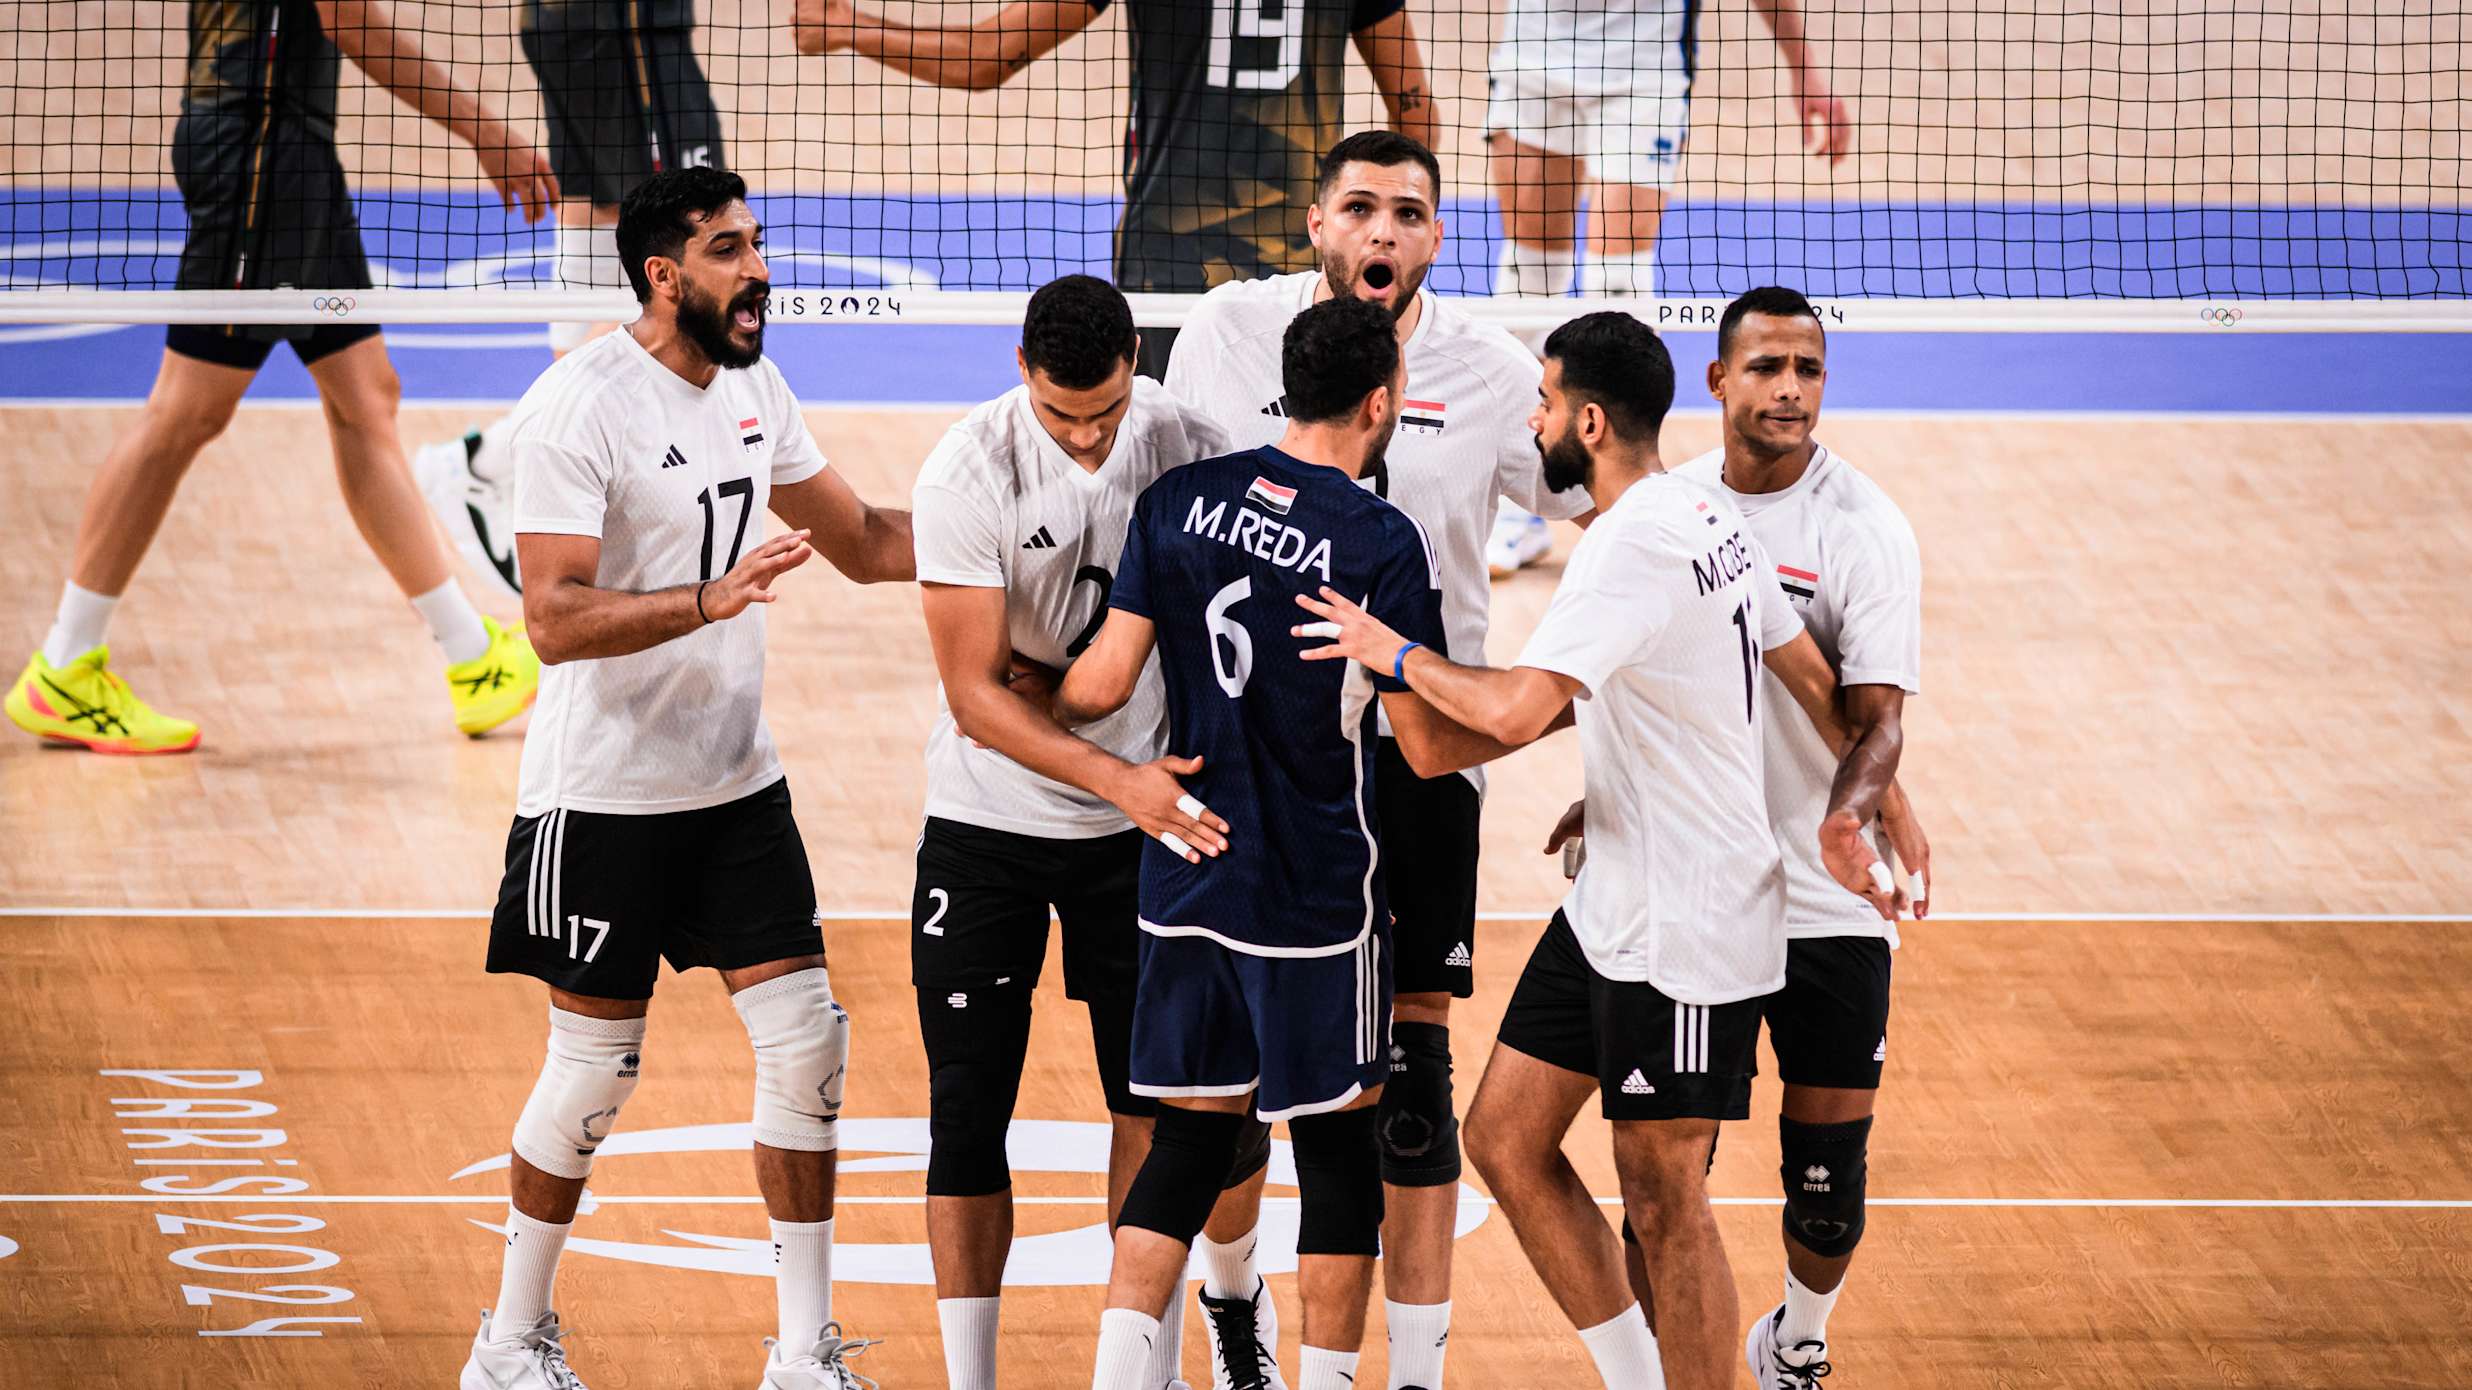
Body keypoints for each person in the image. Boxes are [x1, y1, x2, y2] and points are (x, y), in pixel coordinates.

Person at [1288, 312, 1897, 1390]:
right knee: (1507, 1137)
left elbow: (1521, 707)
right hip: (1616, 889)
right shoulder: (1699, 511)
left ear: (1591, 419)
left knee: (1664, 1199)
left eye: (1545, 402)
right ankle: (1636, 1376)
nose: (1533, 420)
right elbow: (1777, 661)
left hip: (1690, 921)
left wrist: (1397, 653)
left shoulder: (1632, 543)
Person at [461, 166, 913, 1390]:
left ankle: (805, 1351)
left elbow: (866, 540)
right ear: (664, 275)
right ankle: (508, 1343)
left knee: (807, 1040)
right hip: (602, 796)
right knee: (593, 1074)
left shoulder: (755, 384)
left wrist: (1016, 544)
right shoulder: (578, 410)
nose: (757, 269)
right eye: (728, 250)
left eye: (755, 244)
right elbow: (550, 620)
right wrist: (707, 599)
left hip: (733, 785)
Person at [1162, 128, 1589, 1390]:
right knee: (1231, 1090)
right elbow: (1172, 511)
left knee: (1409, 1084)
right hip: (1258, 760)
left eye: (1410, 212)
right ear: (1317, 225)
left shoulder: (1490, 366)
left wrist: (1569, 699)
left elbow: (1606, 506)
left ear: (1436, 239)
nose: (1384, 232)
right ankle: (1235, 1309)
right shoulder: (1229, 333)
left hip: (1417, 761)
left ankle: (1412, 1375)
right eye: (1362, 208)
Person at [1052, 297, 1516, 1390]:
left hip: (1184, 871)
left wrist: (1011, 693)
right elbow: (1431, 752)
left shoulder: (1176, 500)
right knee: (1340, 1157)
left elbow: (1101, 686)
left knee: (1184, 1148)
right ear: (1381, 401)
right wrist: (1519, 700)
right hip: (1310, 896)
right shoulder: (1375, 538)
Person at [5, 0, 558, 755]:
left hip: (288, 150)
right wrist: (487, 132)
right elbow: (349, 20)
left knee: (365, 394)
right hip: (260, 153)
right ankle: (66, 665)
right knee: (187, 410)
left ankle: (474, 658)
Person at [908, 273, 1251, 1390]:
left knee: (1144, 1103)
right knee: (967, 1114)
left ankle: (1135, 1375)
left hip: (1138, 825)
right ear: (1022, 373)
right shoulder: (968, 466)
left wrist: (1049, 697)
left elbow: (1207, 639)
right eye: (1065, 416)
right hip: (989, 820)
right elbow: (973, 698)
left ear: (1134, 371)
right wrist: (1115, 772)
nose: (1091, 436)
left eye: (1108, 409)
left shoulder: (1189, 446)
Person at [1669, 285, 1929, 1390]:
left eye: (1808, 371)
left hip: (1828, 897)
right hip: (1695, 887)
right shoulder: (1671, 507)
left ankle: (1800, 1337)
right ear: (1718, 380)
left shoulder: (1862, 527)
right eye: (1767, 367)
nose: (1789, 389)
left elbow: (1880, 721)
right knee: (1667, 1172)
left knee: (1826, 1183)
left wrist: (1849, 812)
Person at [790, 0, 1440, 379]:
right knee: (1309, 483)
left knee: (1173, 490)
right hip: (1307, 265)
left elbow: (987, 56)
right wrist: (1384, 243)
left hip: (1172, 260)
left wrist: (849, 24)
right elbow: (1416, 116)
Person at [1478, 0, 1853, 577]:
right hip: (1534, 56)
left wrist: (1803, 69)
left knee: (1616, 294)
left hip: (1642, 67)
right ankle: (1518, 500)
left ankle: (1626, 507)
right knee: (1527, 282)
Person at [413, 0, 730, 603]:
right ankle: (489, 462)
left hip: (586, 30)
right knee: (689, 234)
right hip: (622, 31)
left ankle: (529, 458)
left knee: (599, 210)